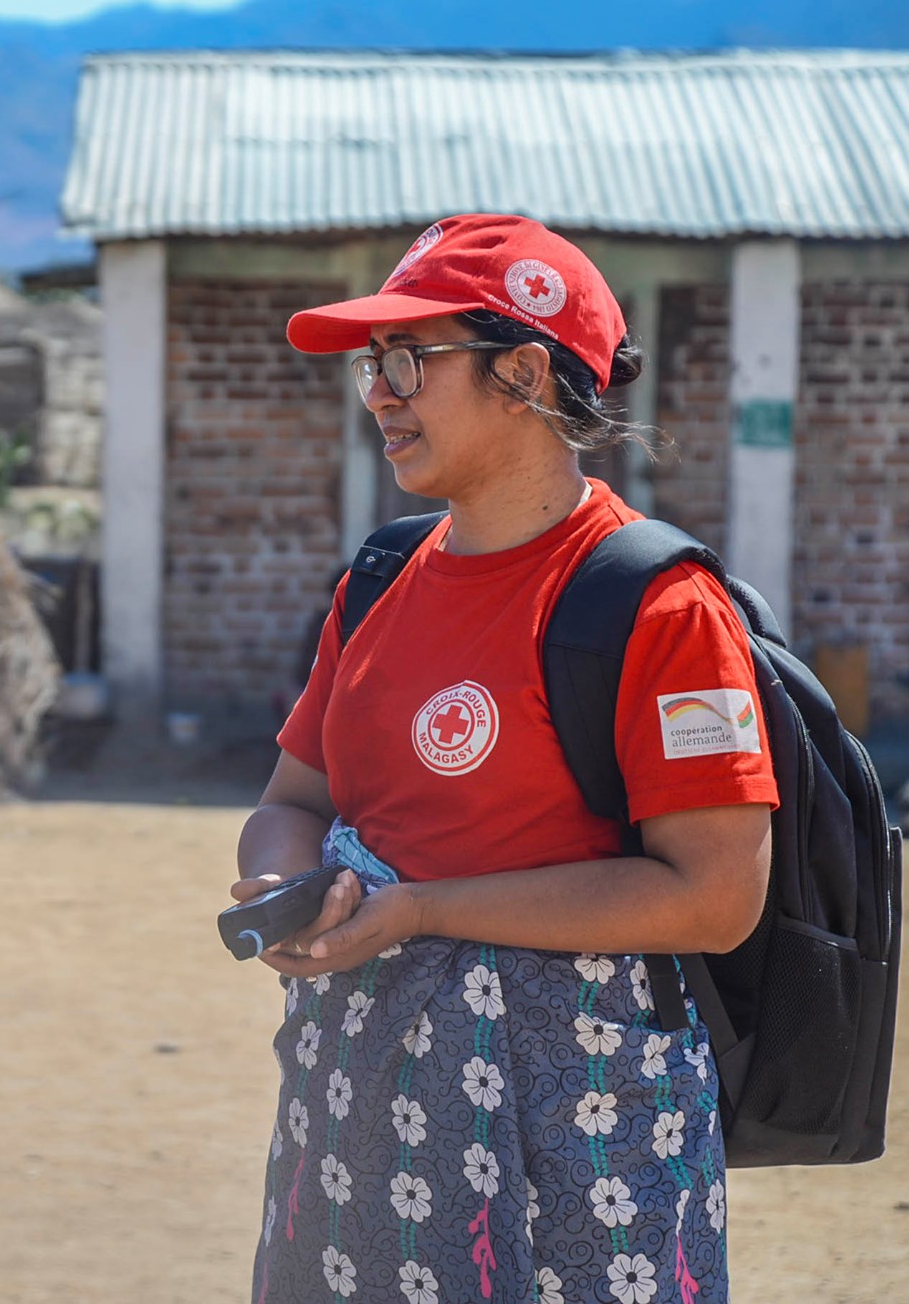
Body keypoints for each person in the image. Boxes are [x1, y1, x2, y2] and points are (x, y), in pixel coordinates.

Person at [231, 215, 776, 1304]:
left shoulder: (658, 607)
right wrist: (276, 881)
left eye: (404, 361)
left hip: (582, 1133)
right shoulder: (377, 581)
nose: (376, 393)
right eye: (368, 366)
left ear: (522, 373)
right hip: (354, 1111)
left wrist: (425, 910)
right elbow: (293, 796)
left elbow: (715, 896)